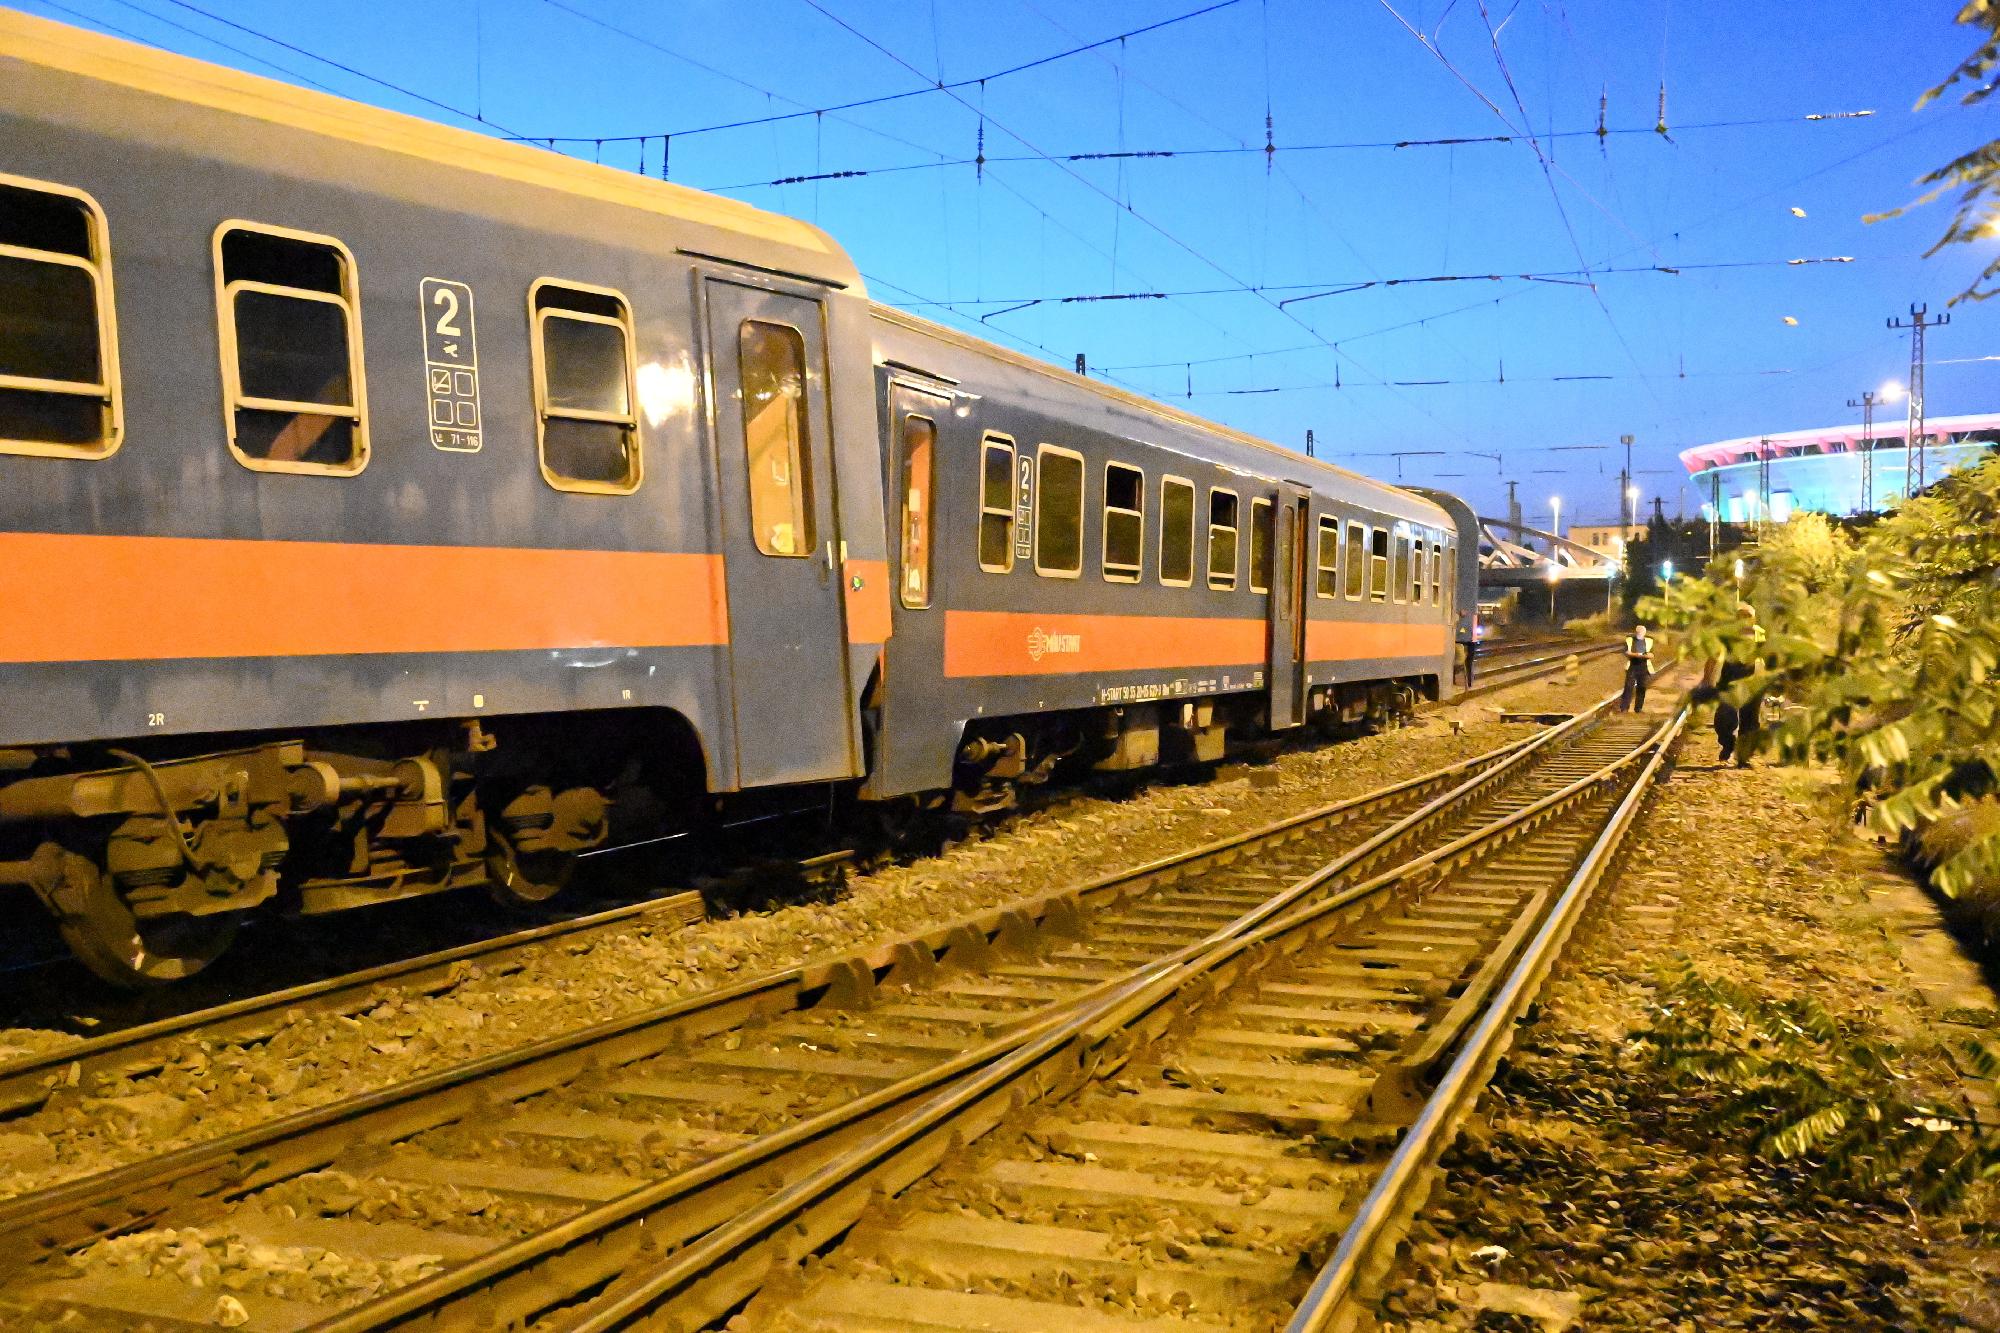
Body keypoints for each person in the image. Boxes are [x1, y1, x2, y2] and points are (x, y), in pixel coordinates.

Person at [1702, 603, 1766, 765]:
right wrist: (1707, 678)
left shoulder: (1759, 634)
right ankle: (1728, 744)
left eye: (1747, 616)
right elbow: (1714, 656)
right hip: (1729, 679)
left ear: (1753, 619)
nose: (1744, 619)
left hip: (1752, 681)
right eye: (1740, 615)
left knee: (1750, 721)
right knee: (1724, 717)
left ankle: (1744, 757)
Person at [1619, 623, 1655, 712]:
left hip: (1644, 667)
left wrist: (1644, 656)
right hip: (1632, 666)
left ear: (1644, 632)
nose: (1640, 633)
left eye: (1642, 632)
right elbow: (1626, 652)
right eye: (1639, 632)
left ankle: (1638, 708)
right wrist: (1636, 655)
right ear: (1636, 632)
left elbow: (1652, 654)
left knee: (1642, 688)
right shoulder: (1630, 640)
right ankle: (1624, 708)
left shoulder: (1649, 641)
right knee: (1628, 687)